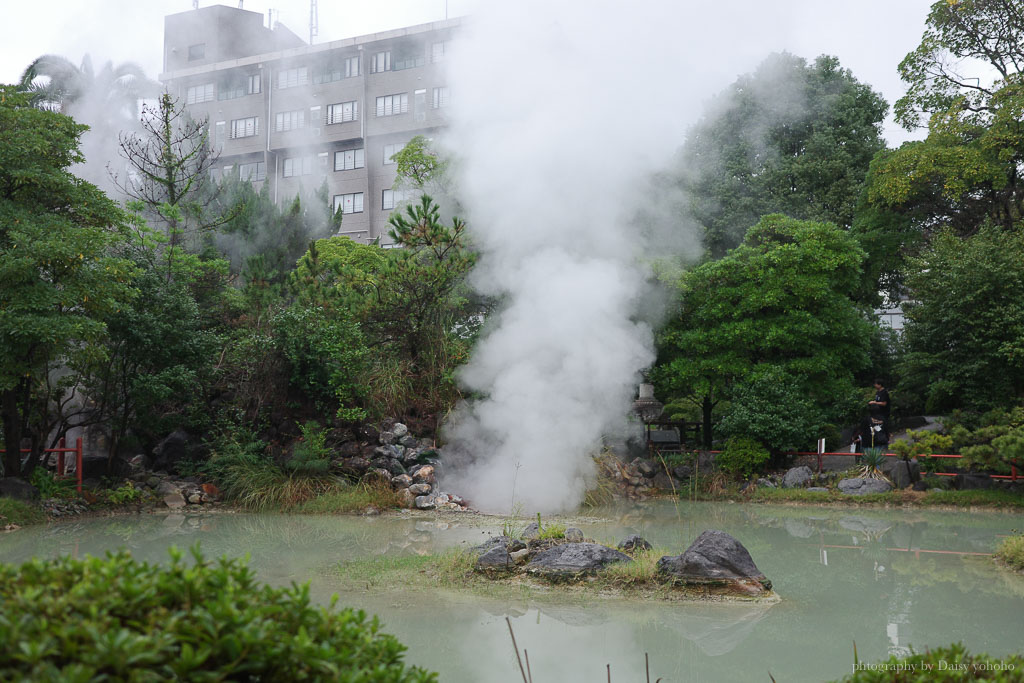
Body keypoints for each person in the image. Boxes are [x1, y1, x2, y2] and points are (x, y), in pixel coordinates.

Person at [867, 379, 890, 446]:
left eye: (876, 384)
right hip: (877, 412)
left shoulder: (884, 392)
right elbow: (877, 400)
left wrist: (875, 402)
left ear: (880, 384)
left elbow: (884, 403)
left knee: (884, 426)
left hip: (884, 413)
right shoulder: (877, 392)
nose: (875, 385)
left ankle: (886, 439)